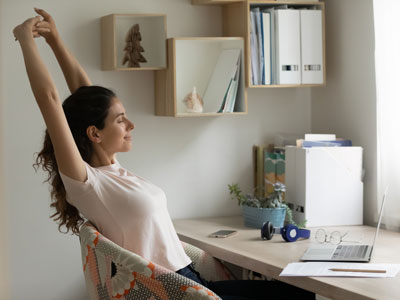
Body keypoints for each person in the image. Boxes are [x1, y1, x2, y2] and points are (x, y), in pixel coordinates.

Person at [13, 8, 315, 300]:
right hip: (172, 292)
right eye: (120, 120)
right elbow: (50, 100)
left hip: (191, 280)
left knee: (298, 292)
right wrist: (26, 40)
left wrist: (55, 40)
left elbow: (86, 97)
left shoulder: (111, 167)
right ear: (95, 134)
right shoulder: (88, 183)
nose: (130, 125)